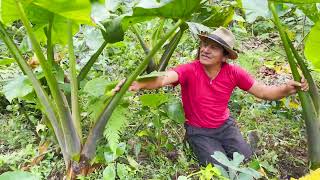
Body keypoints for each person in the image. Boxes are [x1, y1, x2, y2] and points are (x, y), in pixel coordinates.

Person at [114, 27, 309, 167]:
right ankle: (194, 143)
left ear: (225, 56)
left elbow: (263, 92)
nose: (205, 50)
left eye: (213, 48)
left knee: (248, 160)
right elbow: (164, 78)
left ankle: (245, 142)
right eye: (204, 45)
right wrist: (137, 83)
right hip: (199, 130)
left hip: (225, 127)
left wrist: (287, 88)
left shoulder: (234, 73)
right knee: (218, 169)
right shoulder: (190, 69)